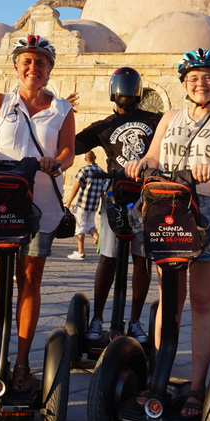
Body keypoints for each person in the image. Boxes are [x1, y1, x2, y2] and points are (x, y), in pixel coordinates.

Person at [125, 48, 210, 418]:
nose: (201, 83)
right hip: (170, 207)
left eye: (208, 77)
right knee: (170, 298)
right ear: (184, 84)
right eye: (194, 78)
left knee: (204, 300)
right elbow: (154, 156)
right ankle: (159, 378)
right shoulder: (170, 116)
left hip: (209, 209)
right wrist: (140, 164)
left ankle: (195, 386)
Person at [0, 35, 74, 393]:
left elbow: (68, 150)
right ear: (16, 66)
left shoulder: (62, 109)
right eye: (27, 61)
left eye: (41, 62)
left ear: (50, 69)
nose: (33, 68)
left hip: (41, 206)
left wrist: (56, 162)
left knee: (29, 281)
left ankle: (21, 364)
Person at [74, 67, 161, 343]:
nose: (126, 92)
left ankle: (135, 320)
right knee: (108, 257)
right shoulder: (103, 126)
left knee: (142, 259)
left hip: (146, 199)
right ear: (113, 91)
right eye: (122, 86)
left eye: (131, 86)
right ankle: (98, 317)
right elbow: (72, 145)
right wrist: (61, 113)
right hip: (115, 197)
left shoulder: (156, 120)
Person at [65, 150, 104, 259]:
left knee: (80, 227)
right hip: (94, 204)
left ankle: (80, 251)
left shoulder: (84, 170)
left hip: (83, 203)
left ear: (85, 159)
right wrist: (102, 206)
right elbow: (103, 191)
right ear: (95, 157)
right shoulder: (102, 171)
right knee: (91, 225)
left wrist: (68, 203)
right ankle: (99, 242)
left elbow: (75, 188)